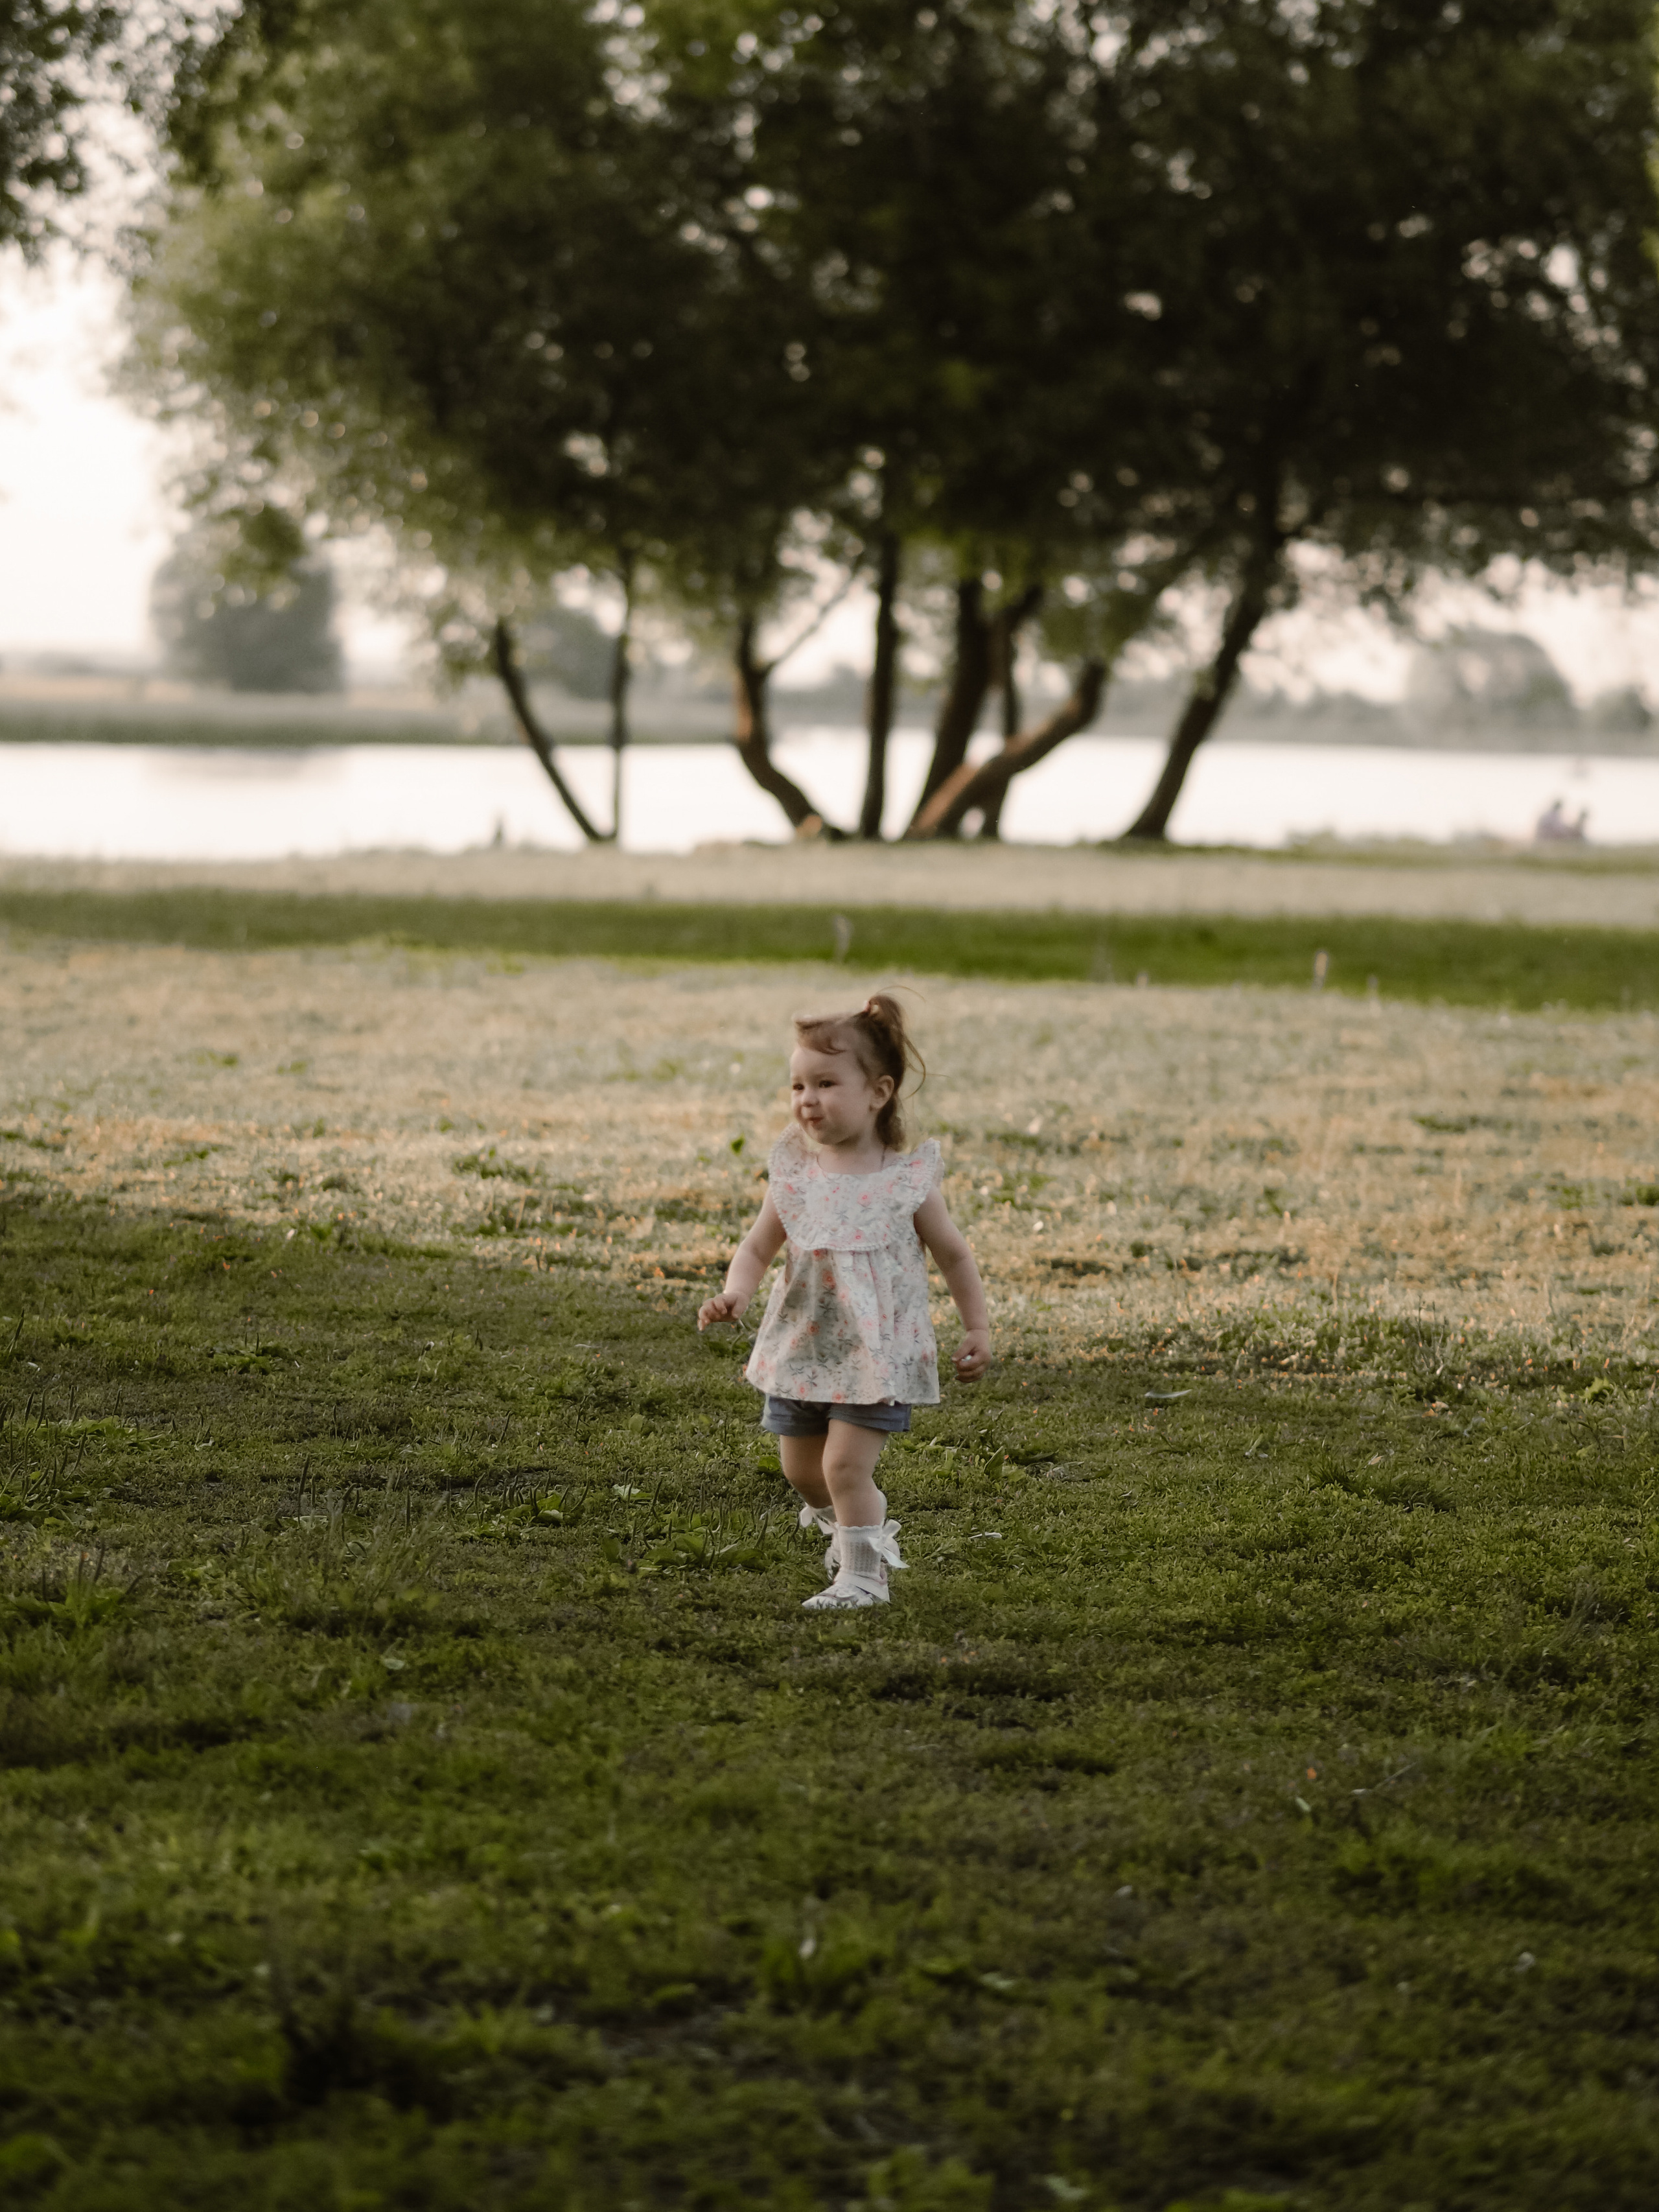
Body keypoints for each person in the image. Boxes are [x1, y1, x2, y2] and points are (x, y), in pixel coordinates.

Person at [698, 994, 992, 1611]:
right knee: (802, 1471)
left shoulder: (903, 1179)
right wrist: (735, 1292)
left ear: (878, 1093)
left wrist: (976, 1326)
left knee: (844, 1467)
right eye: (798, 1084)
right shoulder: (797, 1174)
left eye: (826, 1083)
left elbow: (955, 1255)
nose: (807, 1098)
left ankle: (863, 1576)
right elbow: (756, 1247)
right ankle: (853, 1534)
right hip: (802, 1346)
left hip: (875, 1355)